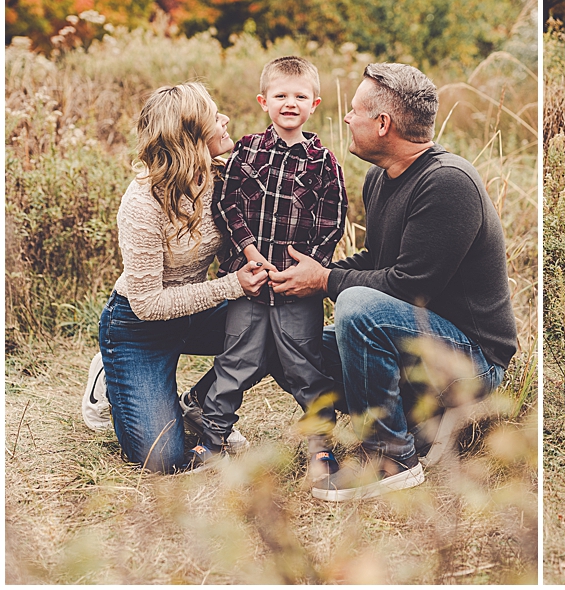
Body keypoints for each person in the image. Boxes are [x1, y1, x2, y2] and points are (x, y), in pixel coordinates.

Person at [267, 62, 518, 500]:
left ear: (383, 124)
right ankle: (419, 420)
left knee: (357, 308)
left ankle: (392, 458)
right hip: (413, 341)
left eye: (356, 110)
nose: (347, 117)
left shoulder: (448, 183)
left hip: (471, 360)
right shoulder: (380, 177)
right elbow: (378, 261)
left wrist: (325, 280)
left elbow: (407, 286)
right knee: (285, 340)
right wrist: (304, 273)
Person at [86, 83, 267, 473]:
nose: (225, 120)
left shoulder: (223, 178)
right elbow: (148, 304)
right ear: (190, 137)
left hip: (197, 312)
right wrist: (233, 285)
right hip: (139, 328)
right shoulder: (142, 204)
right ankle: (109, 371)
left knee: (271, 325)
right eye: (214, 117)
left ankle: (202, 403)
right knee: (162, 459)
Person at [194, 57, 347, 476]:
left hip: (296, 288)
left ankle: (320, 447)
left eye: (300, 96)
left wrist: (310, 268)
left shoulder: (323, 162)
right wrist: (247, 249)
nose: (290, 103)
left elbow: (333, 220)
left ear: (314, 104)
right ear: (264, 101)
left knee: (305, 367)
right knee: (235, 362)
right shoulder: (247, 150)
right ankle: (212, 440)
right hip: (248, 282)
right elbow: (227, 204)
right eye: (281, 95)